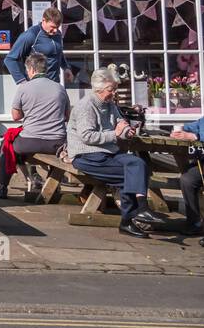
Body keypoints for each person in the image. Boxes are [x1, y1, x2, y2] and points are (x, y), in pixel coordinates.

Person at [68, 69, 168, 238]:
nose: (114, 93)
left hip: (107, 153)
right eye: (111, 89)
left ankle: (139, 212)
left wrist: (127, 131)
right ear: (99, 89)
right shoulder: (87, 106)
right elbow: (87, 137)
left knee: (137, 163)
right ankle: (132, 217)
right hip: (87, 156)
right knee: (131, 173)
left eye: (114, 89)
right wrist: (115, 134)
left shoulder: (110, 105)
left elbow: (120, 123)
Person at [0, 52, 70, 199]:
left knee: (7, 146)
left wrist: (29, 112)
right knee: (54, 156)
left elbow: (16, 116)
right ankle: (53, 187)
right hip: (56, 143)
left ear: (31, 70)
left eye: (27, 70)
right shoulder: (60, 88)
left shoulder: (24, 88)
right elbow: (67, 116)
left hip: (29, 142)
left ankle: (2, 187)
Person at [4, 7, 75, 86]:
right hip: (36, 86)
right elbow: (10, 59)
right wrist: (22, 82)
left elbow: (58, 52)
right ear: (44, 20)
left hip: (54, 84)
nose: (55, 30)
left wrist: (66, 67)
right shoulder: (31, 35)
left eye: (57, 27)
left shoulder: (57, 34)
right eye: (53, 27)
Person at [168, 113, 204, 242]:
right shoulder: (202, 121)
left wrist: (195, 137)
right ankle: (195, 223)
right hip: (202, 165)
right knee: (187, 179)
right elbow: (189, 127)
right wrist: (179, 132)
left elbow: (196, 135)